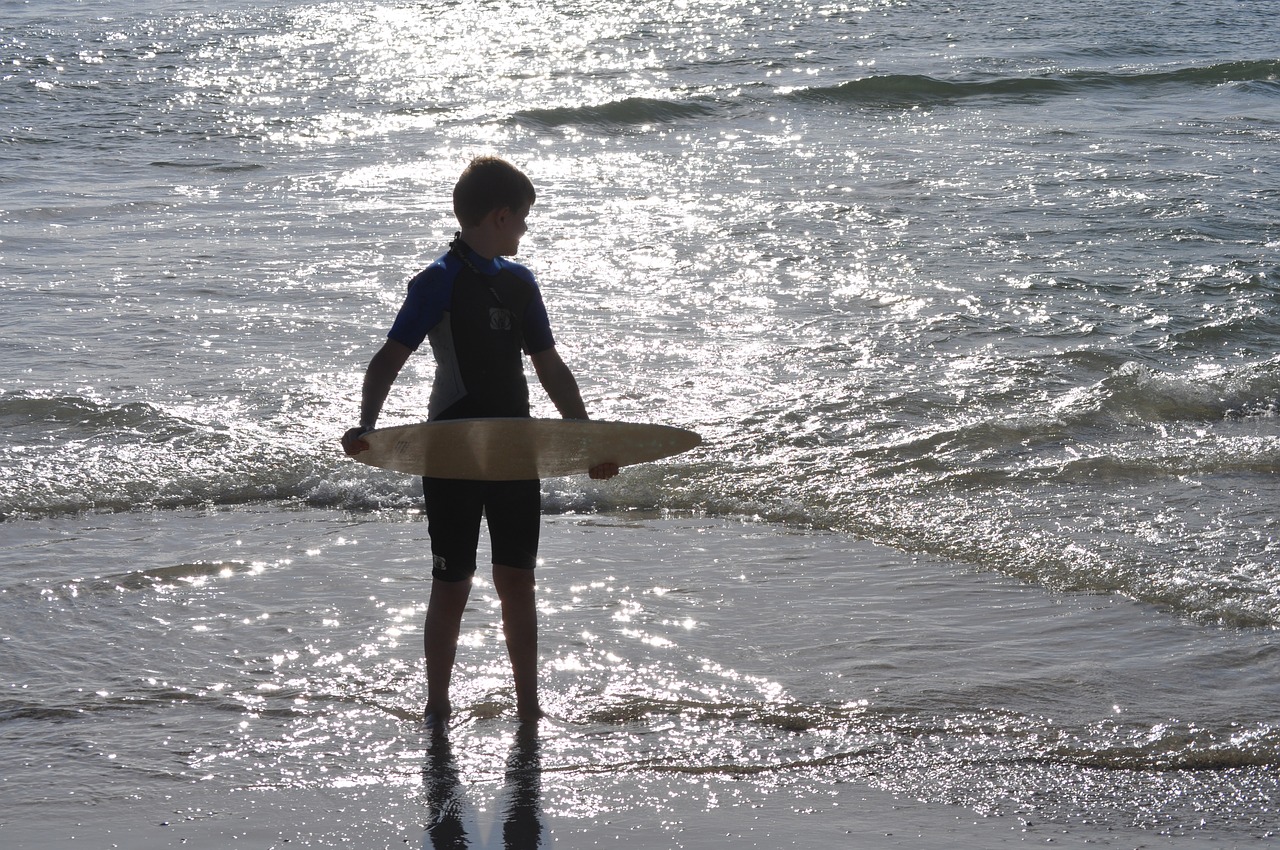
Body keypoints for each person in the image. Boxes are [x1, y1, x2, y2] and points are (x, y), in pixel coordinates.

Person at [341, 156, 616, 726]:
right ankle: (437, 703)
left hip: (516, 450)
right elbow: (389, 359)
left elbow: (550, 368)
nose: (524, 230)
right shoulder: (437, 282)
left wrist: (586, 439)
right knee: (453, 581)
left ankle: (529, 704)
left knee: (517, 577)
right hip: (453, 452)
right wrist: (367, 423)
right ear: (499, 215)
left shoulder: (520, 284)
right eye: (521, 220)